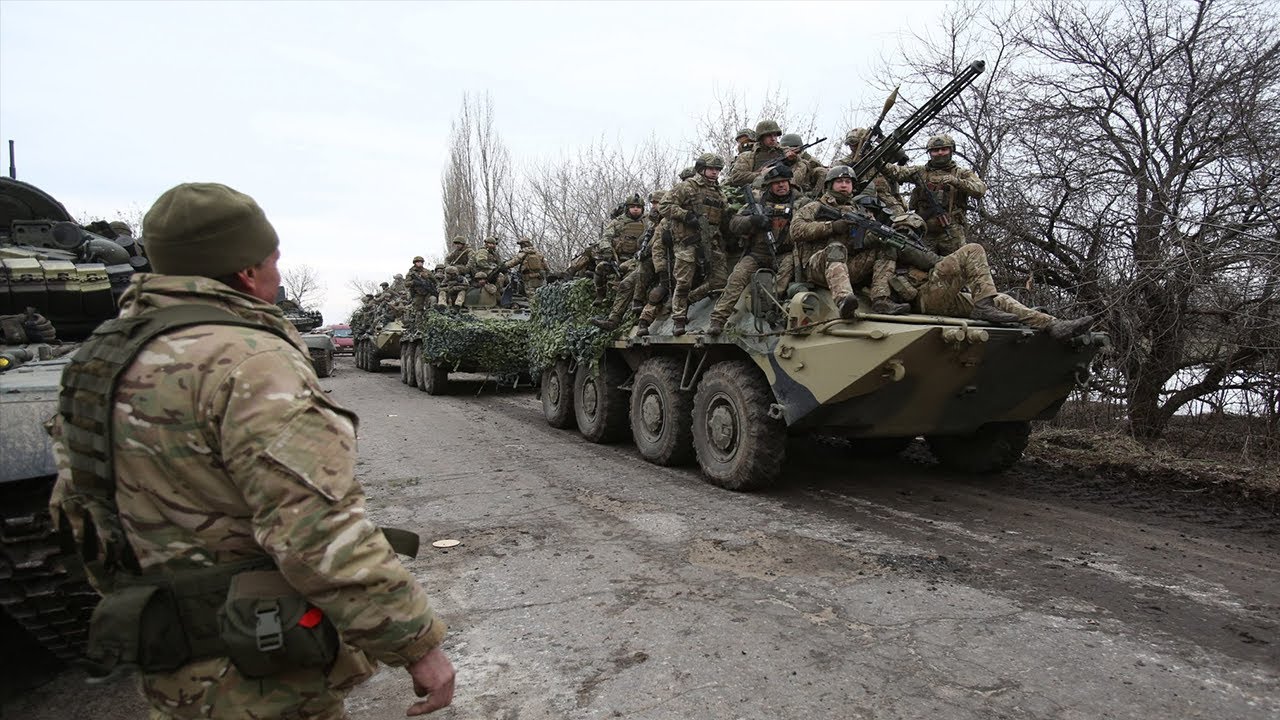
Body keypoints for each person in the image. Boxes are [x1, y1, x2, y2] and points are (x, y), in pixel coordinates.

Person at [45, 182, 454, 719]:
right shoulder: (249, 361)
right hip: (261, 663)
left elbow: (75, 510)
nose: (277, 274)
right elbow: (315, 532)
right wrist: (416, 644)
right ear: (245, 270)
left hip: (167, 656)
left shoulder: (99, 357)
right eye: (273, 260)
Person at [890, 235, 1095, 339]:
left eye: (914, 232)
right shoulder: (886, 250)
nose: (909, 235)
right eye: (905, 231)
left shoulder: (924, 250)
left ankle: (1052, 325)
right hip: (922, 300)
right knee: (973, 250)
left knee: (999, 300)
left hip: (942, 298)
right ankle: (983, 306)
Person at [791, 165, 910, 318]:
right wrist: (831, 226)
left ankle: (881, 299)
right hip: (818, 267)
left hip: (848, 265)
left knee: (886, 248)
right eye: (839, 181)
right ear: (830, 185)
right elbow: (796, 230)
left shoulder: (861, 211)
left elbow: (861, 243)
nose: (844, 185)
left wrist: (875, 238)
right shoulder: (815, 206)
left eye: (848, 182)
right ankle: (843, 301)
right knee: (836, 247)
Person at [708, 164, 810, 334]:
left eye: (785, 181)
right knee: (737, 277)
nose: (782, 185)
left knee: (785, 273)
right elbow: (734, 224)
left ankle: (771, 309)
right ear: (769, 184)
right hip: (758, 253)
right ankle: (718, 319)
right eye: (777, 182)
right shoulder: (757, 201)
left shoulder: (802, 203)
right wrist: (753, 221)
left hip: (786, 253)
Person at [659, 153, 730, 336]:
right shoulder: (688, 187)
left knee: (720, 280)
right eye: (712, 169)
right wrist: (686, 216)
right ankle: (678, 319)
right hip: (688, 243)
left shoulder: (719, 192)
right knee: (683, 282)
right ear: (701, 169)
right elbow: (665, 205)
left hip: (712, 242)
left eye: (718, 170)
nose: (715, 173)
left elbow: (724, 215)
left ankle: (689, 300)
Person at [882, 133, 985, 255]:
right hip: (925, 231)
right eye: (935, 150)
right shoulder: (920, 171)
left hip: (951, 231)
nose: (940, 153)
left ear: (951, 151)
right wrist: (877, 159)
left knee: (957, 267)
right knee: (921, 267)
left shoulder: (961, 173)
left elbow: (980, 189)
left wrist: (957, 182)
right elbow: (896, 172)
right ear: (930, 153)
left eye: (944, 149)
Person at [835, 128, 907, 215]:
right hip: (858, 197)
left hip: (884, 196)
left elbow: (899, 153)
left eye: (855, 143)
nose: (852, 147)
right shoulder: (844, 162)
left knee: (900, 215)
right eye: (849, 144)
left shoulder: (879, 154)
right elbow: (833, 173)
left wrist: (881, 138)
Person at [592, 193, 646, 303]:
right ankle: (600, 295)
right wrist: (607, 250)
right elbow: (606, 238)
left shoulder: (647, 222)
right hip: (618, 258)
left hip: (638, 258)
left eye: (638, 207)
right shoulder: (617, 223)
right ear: (627, 208)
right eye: (632, 207)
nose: (635, 209)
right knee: (600, 268)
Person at [726, 119, 791, 187]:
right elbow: (737, 177)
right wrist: (762, 174)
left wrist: (794, 159)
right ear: (761, 138)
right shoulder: (747, 156)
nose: (773, 138)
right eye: (769, 136)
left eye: (775, 135)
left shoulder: (785, 151)